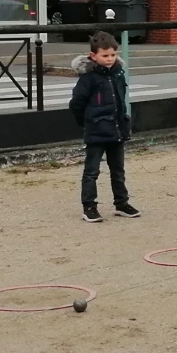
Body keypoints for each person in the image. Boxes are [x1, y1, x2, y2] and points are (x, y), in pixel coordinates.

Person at [69, 31, 140, 222]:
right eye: (105, 55)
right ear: (94, 56)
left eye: (113, 55)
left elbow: (121, 101)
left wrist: (124, 122)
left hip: (117, 129)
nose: (109, 59)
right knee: (92, 171)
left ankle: (122, 203)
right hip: (96, 130)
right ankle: (89, 206)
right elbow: (76, 104)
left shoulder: (118, 74)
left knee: (118, 169)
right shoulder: (88, 79)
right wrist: (86, 122)